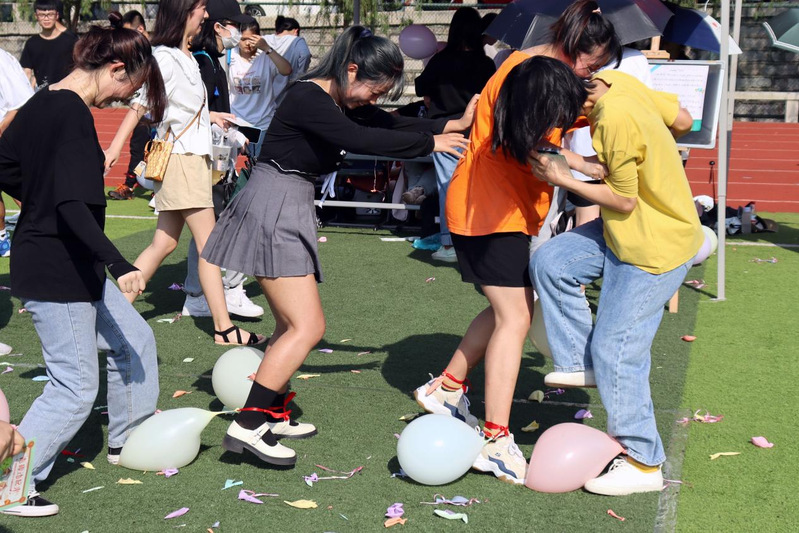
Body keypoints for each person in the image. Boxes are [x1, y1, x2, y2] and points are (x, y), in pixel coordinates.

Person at [202, 26, 472, 467]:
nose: (372, 100)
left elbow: (387, 122)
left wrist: (449, 124)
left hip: (285, 202)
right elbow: (362, 140)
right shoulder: (307, 97)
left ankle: (270, 411)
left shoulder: (335, 101)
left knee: (290, 324)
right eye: (373, 90)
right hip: (275, 203)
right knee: (306, 327)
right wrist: (431, 142)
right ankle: (248, 425)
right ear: (351, 70)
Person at [412, 0, 620, 485]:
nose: (592, 73)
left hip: (495, 207)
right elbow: (529, 147)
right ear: (574, 46)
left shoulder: (538, 71)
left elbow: (545, 133)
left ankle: (448, 387)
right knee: (516, 316)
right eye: (592, 63)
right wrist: (582, 171)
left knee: (510, 306)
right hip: (489, 209)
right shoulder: (529, 74)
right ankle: (495, 437)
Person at [0, 16, 166, 517]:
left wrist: (38, 195)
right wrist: (118, 262)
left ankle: (128, 441)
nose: (126, 99)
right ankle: (12, 486)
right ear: (115, 68)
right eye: (131, 87)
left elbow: (7, 165)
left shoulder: (42, 101)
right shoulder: (70, 112)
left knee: (134, 341)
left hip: (68, 256)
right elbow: (71, 204)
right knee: (74, 386)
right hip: (58, 266)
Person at [526, 68, 699, 496]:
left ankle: (643, 462)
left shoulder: (614, 118)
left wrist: (562, 178)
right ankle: (581, 363)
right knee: (552, 260)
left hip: (653, 245)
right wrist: (578, 160)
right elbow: (683, 120)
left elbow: (623, 199)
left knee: (617, 351)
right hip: (627, 230)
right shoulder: (618, 81)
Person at [104, 0, 266, 346]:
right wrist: (115, 148)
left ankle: (112, 314)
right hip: (183, 160)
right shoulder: (165, 57)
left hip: (190, 158)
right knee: (210, 246)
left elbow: (176, 108)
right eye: (200, 8)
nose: (205, 15)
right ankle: (224, 328)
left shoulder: (186, 57)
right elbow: (141, 105)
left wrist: (211, 117)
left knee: (164, 243)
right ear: (184, 13)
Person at [180, 0, 264, 319]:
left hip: (214, 158)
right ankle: (229, 289)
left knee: (206, 229)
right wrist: (231, 133)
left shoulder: (212, 61)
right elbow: (198, 112)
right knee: (234, 222)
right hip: (208, 159)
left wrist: (234, 134)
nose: (239, 32)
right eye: (235, 25)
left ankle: (197, 293)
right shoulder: (203, 62)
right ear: (218, 26)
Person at [414, 6, 495, 263]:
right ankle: (477, 240)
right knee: (479, 187)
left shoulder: (441, 60)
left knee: (448, 186)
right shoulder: (485, 64)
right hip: (478, 131)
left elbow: (420, 87)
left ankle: (449, 244)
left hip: (445, 130)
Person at [564, 47, 652, 226]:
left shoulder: (576, 54)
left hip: (586, 150)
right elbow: (648, 104)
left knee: (587, 221)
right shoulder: (636, 58)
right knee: (622, 220)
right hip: (624, 150)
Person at [228, 16, 292, 156]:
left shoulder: (266, 56)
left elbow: (287, 70)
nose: (247, 44)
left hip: (262, 123)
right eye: (243, 39)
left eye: (251, 39)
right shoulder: (230, 56)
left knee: (259, 164)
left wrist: (267, 48)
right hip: (237, 123)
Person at [108, 9, 152, 201]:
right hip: (143, 110)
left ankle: (160, 187)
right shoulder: (135, 52)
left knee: (160, 151)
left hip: (163, 112)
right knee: (137, 146)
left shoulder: (160, 51)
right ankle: (129, 184)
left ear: (140, 29)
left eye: (129, 33)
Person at [0, 47, 33, 259]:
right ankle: (2, 238)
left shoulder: (1, 60)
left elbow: (21, 103)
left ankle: (50, 232)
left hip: (8, 137)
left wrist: (1, 130)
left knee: (23, 190)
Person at [19, 0, 78, 89]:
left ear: (57, 15)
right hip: (42, 92)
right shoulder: (32, 43)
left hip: (66, 91)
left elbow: (79, 68)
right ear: (36, 16)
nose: (46, 19)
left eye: (50, 14)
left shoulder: (70, 41)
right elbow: (26, 72)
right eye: (42, 15)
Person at [264, 15, 311, 106]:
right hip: (287, 95)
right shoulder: (297, 40)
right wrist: (300, 76)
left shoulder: (266, 40)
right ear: (296, 31)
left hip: (265, 96)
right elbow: (306, 55)